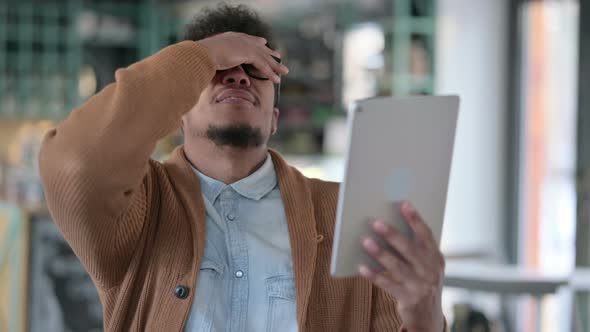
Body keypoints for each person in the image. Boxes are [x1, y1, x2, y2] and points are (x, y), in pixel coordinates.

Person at [38, 4, 446, 332]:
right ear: (178, 110)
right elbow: (74, 165)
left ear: (274, 118)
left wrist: (425, 316)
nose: (237, 77)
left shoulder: (348, 216)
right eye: (218, 71)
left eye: (257, 70)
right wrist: (203, 55)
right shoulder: (135, 212)